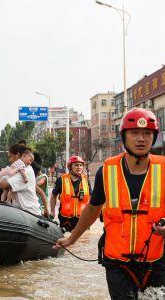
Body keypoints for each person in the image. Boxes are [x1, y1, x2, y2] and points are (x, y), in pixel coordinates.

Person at [54, 108, 165, 299]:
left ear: (154, 137)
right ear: (124, 137)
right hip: (117, 264)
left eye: (147, 133)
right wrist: (72, 238)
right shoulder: (107, 171)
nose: (141, 138)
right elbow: (93, 208)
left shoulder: (163, 169)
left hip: (157, 262)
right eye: (135, 133)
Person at [49, 156, 91, 232]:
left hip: (83, 220)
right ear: (70, 167)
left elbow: (92, 199)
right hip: (66, 220)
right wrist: (52, 211)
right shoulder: (61, 180)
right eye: (76, 165)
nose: (79, 167)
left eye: (81, 165)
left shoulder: (86, 181)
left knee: (84, 240)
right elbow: (53, 196)